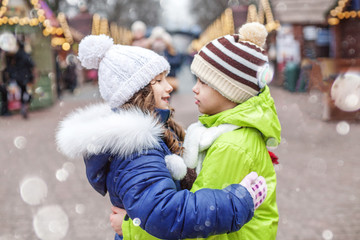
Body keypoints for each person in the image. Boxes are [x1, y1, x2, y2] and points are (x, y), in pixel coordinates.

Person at [56, 34, 268, 240]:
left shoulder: (155, 132)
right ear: (137, 92)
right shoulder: (136, 148)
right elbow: (167, 213)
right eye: (158, 81)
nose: (169, 87)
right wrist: (236, 202)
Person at [110, 22, 282, 239]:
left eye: (203, 81)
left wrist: (130, 228)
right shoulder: (230, 132)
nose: (194, 87)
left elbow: (198, 226)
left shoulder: (231, 145)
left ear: (229, 91)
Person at [3, 40, 35, 119]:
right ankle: (25, 105)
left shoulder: (13, 56)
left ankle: (23, 105)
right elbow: (32, 65)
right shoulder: (26, 55)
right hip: (26, 77)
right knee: (28, 93)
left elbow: (9, 67)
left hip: (17, 77)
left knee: (21, 92)